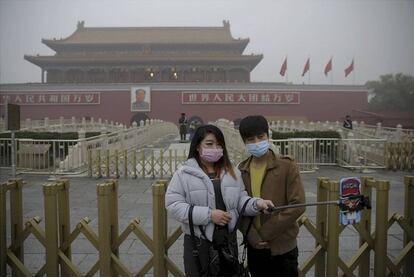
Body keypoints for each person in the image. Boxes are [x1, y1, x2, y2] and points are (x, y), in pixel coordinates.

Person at [165, 124, 274, 276]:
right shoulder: (184, 174)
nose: (215, 148)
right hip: (199, 243)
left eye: (219, 144)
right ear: (197, 146)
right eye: (209, 144)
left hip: (227, 241)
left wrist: (257, 203)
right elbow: (174, 205)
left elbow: (240, 200)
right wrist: (209, 215)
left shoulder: (231, 171)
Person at [238, 115, 306, 277]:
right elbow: (237, 205)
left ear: (268, 135)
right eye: (251, 139)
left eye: (260, 137)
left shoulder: (286, 166)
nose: (256, 143)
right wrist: (252, 236)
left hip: (283, 247)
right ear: (244, 142)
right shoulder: (241, 171)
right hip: (255, 247)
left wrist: (265, 233)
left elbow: (297, 204)